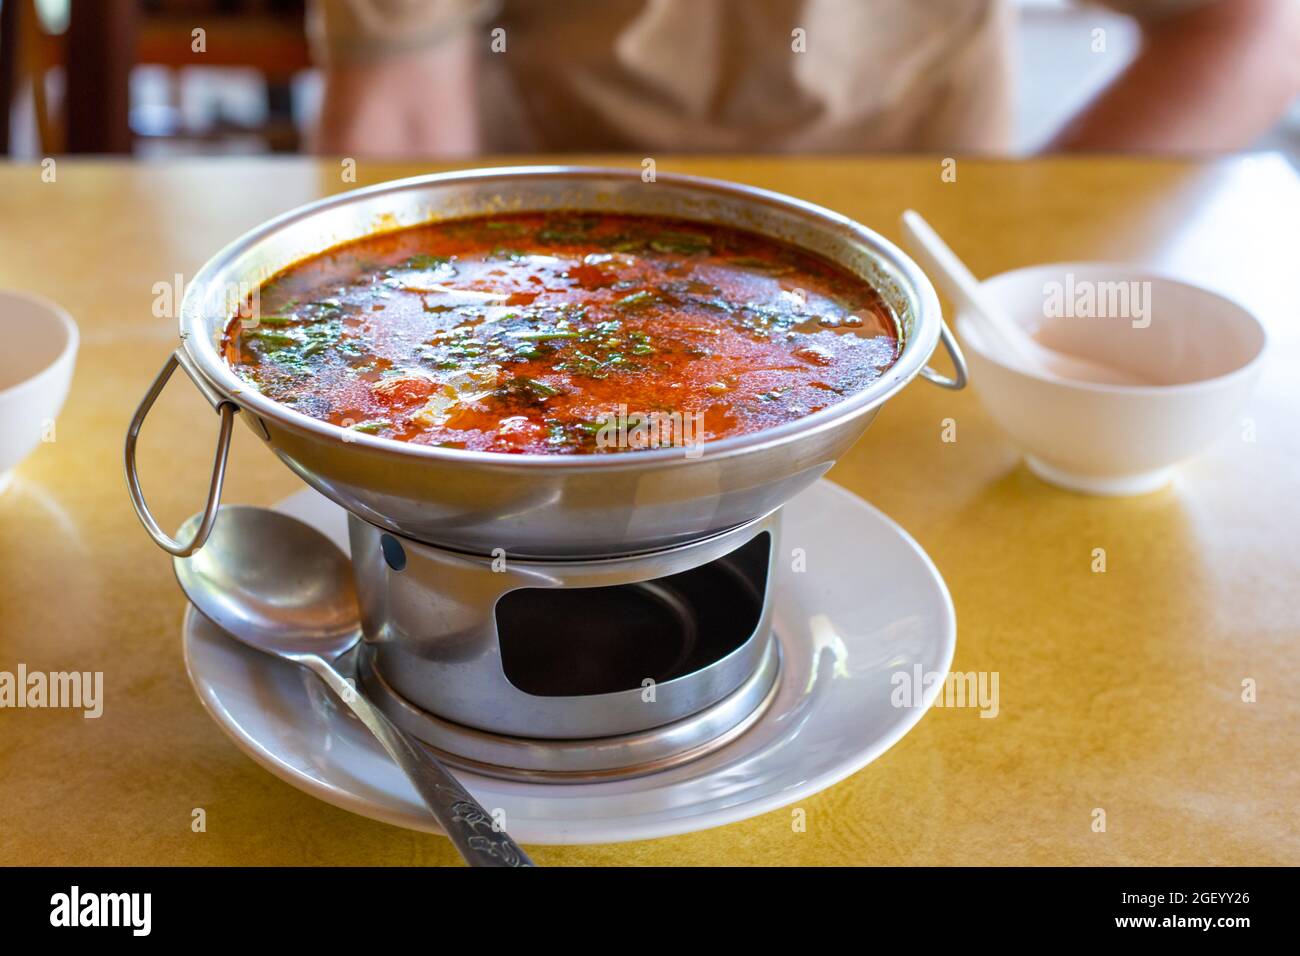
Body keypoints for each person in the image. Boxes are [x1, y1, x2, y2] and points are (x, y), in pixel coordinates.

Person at [307, 0, 1300, 157]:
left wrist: (1037, 269)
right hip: (562, 230)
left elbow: (1254, 24)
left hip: (930, 220)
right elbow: (397, 110)